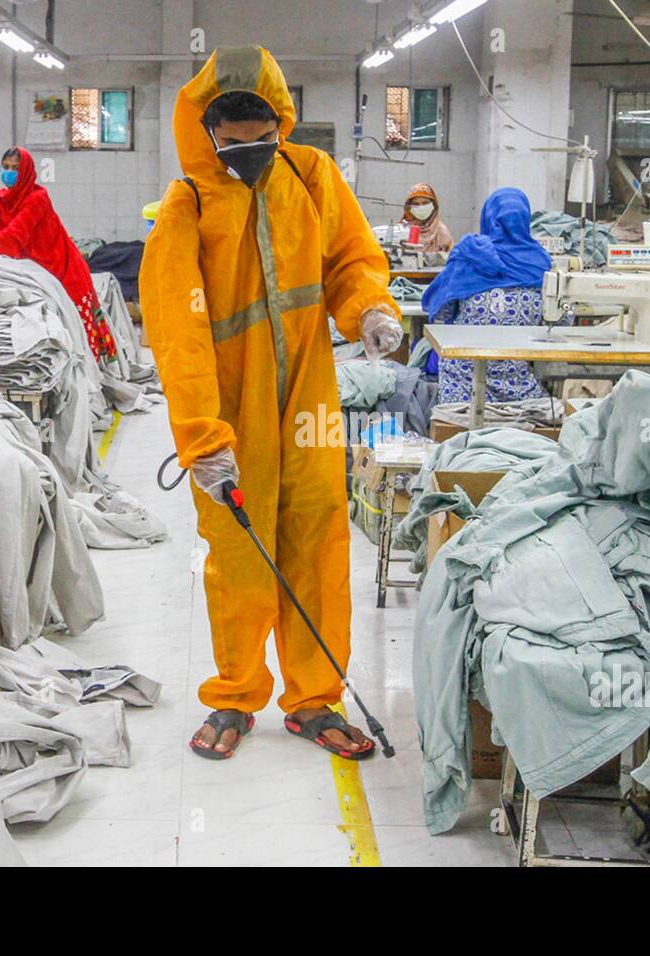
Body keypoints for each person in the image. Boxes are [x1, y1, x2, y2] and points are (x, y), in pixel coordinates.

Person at [140, 45, 403, 761]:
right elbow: (178, 332)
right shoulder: (186, 206)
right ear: (205, 131)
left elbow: (351, 259)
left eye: (263, 135)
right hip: (231, 411)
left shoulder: (311, 176)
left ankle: (314, 697)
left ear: (281, 124)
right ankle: (235, 691)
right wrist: (201, 437)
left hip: (310, 400)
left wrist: (369, 310)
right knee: (238, 554)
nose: (250, 150)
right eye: (233, 140)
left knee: (318, 541)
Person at [0, 147, 116, 360]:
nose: (9, 172)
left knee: (77, 338)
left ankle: (88, 380)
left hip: (63, 271)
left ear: (27, 172)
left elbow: (12, 238)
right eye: (6, 167)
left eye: (15, 168)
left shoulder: (37, 198)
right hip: (35, 273)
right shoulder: (0, 198)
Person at [421, 187, 551, 404]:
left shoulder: (469, 253)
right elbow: (556, 321)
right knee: (553, 413)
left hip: (462, 383)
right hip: (516, 383)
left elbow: (441, 315)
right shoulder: (539, 263)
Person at [399, 182, 453, 253]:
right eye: (416, 204)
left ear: (434, 205)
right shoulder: (401, 229)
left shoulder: (442, 233)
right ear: (409, 207)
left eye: (425, 203)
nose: (421, 207)